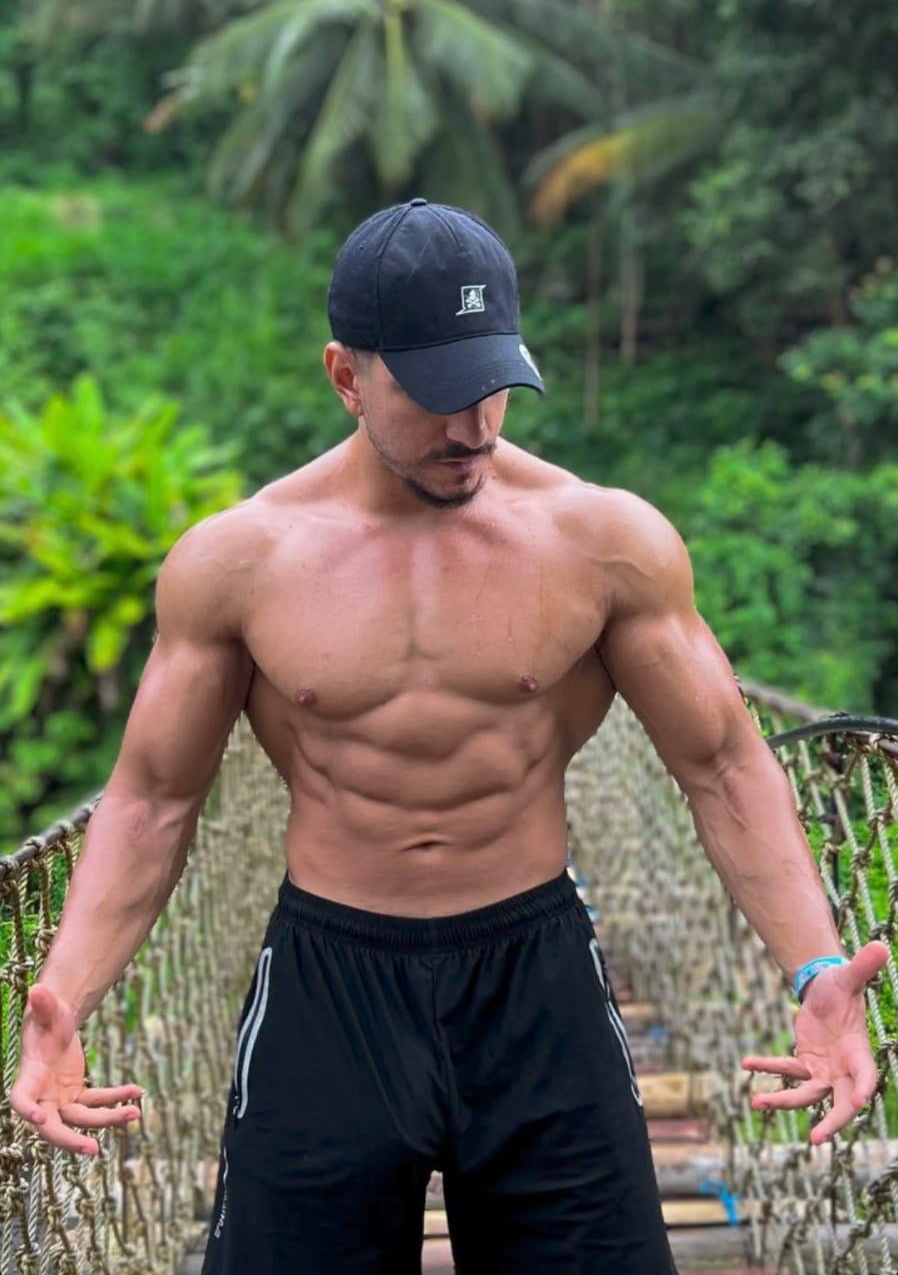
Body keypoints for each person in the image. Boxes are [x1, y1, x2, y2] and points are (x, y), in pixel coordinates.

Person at [11, 199, 887, 1274]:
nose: (471, 425)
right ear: (346, 376)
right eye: (434, 393)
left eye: (492, 384)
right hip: (328, 985)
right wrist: (69, 996)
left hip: (537, 976)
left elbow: (723, 764)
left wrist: (814, 967)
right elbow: (153, 799)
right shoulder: (241, 562)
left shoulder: (602, 541)